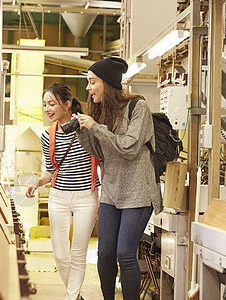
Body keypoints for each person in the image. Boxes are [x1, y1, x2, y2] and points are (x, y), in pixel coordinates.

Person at [73, 57, 162, 300]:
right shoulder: (101, 111)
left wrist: (95, 127)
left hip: (138, 192)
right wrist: (83, 130)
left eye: (92, 82)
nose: (88, 88)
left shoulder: (138, 108)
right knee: (104, 254)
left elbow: (129, 148)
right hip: (111, 193)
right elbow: (101, 153)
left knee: (125, 254)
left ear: (108, 83)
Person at [26, 82, 100, 300]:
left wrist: (100, 197)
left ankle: (70, 298)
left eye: (52, 104)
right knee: (59, 254)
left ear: (67, 104)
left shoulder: (87, 129)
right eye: (45, 105)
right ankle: (75, 296)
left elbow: (101, 164)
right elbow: (50, 171)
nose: (47, 109)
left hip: (86, 196)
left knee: (78, 253)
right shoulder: (47, 135)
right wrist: (37, 183)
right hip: (58, 196)